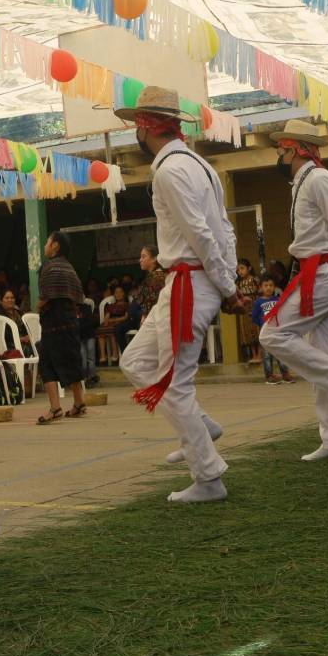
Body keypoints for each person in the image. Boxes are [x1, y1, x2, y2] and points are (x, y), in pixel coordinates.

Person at [116, 86, 239, 503]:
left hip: (190, 282)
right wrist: (228, 282)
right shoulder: (198, 165)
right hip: (188, 281)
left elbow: (202, 233)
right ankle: (200, 429)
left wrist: (227, 286)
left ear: (145, 126)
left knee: (174, 384)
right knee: (134, 362)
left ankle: (208, 476)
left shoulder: (169, 171)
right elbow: (223, 229)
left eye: (135, 126)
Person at [256, 120, 328, 458]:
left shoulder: (318, 179)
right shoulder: (304, 182)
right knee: (322, 354)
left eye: (281, 149)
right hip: (317, 273)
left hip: (324, 273)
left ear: (293, 150)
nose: (278, 155)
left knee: (271, 336)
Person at [33, 232, 90, 424]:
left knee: (46, 364)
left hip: (53, 322)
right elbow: (78, 296)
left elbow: (46, 295)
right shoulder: (69, 267)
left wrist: (38, 306)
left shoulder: (48, 267)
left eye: (48, 241)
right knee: (72, 359)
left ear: (55, 246)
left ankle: (55, 408)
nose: (45, 245)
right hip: (70, 320)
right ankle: (79, 403)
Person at [250, 277, 292, 384]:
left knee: (281, 353)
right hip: (266, 333)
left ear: (274, 287)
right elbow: (254, 317)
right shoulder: (258, 302)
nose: (268, 288)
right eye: (266, 285)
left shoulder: (278, 300)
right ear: (261, 288)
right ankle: (269, 376)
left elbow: (283, 313)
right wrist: (262, 325)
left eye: (271, 285)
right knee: (267, 355)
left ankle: (285, 374)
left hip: (278, 331)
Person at [234, 259, 262, 364]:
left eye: (242, 268)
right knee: (247, 332)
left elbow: (260, 291)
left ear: (249, 268)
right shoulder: (238, 283)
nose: (240, 271)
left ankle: (260, 354)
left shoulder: (255, 280)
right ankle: (253, 355)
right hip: (245, 310)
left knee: (257, 330)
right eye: (238, 270)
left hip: (255, 308)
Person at [95, 285, 129, 365]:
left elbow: (126, 317)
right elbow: (107, 316)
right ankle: (103, 356)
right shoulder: (110, 306)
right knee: (100, 330)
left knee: (113, 330)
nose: (118, 294)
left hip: (120, 322)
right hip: (111, 322)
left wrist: (114, 320)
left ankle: (115, 354)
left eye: (120, 292)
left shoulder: (127, 304)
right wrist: (106, 321)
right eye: (116, 292)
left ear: (124, 294)